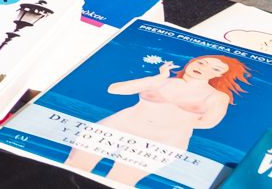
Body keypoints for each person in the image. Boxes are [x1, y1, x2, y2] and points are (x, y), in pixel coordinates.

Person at [71, 53, 248, 185]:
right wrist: (158, 77)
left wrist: (173, 122)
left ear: (219, 75)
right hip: (117, 125)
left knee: (120, 181)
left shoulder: (217, 96)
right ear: (192, 61)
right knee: (74, 167)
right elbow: (115, 89)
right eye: (202, 62)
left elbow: (210, 122)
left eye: (215, 69)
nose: (203, 68)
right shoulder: (162, 80)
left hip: (164, 141)